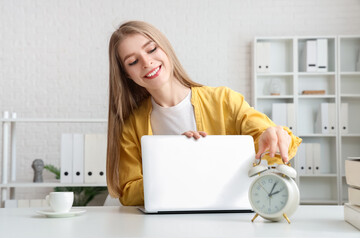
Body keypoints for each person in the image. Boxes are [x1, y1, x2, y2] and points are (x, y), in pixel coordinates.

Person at [106, 20, 302, 206]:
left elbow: (276, 149)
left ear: (166, 49)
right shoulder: (132, 125)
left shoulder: (224, 100)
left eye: (151, 49)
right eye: (133, 61)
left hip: (228, 217)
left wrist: (275, 137)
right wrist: (177, 164)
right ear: (126, 74)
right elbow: (129, 192)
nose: (147, 62)